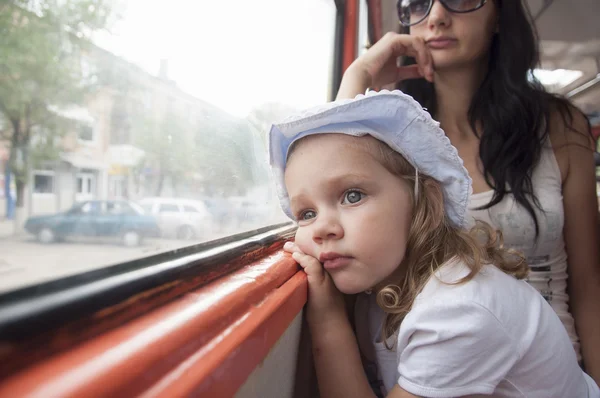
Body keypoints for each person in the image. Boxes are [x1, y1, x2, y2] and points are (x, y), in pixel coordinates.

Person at [335, 0, 600, 384]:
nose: (438, 17)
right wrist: (359, 76)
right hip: (430, 373)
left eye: (460, 0)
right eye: (419, 5)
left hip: (549, 374)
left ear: (498, 17)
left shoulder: (559, 125)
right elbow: (329, 185)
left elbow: (588, 281)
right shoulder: (389, 135)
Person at [269, 90, 599, 397]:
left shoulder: (458, 310)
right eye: (306, 212)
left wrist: (327, 321)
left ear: (424, 200)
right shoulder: (382, 290)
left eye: (352, 196)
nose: (322, 228)